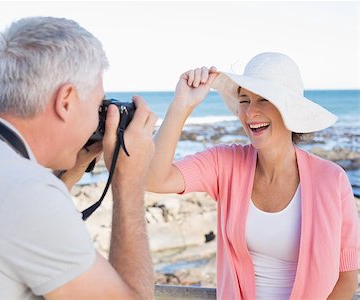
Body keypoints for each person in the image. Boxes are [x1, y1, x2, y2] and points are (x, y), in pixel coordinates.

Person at [0, 17, 157, 299]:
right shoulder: (25, 193)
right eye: (96, 104)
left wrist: (70, 172)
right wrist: (129, 182)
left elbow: (2, 224)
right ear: (66, 100)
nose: (96, 119)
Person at [146, 52, 359, 299]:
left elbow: (346, 278)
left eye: (263, 100)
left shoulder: (331, 180)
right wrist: (181, 105)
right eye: (244, 100)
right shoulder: (226, 163)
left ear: (288, 108)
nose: (250, 113)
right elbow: (154, 178)